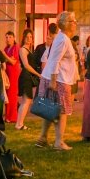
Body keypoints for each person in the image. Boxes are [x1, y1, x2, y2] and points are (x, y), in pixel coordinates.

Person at [36, 12, 79, 151]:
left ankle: (42, 138)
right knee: (61, 111)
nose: (75, 23)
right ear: (67, 23)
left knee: (49, 109)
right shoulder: (63, 39)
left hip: (53, 77)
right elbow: (55, 60)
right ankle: (59, 142)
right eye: (73, 21)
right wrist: (53, 82)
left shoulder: (61, 38)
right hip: (58, 79)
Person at [15, 28, 42, 130]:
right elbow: (26, 65)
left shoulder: (28, 49)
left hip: (27, 76)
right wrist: (38, 75)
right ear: (23, 38)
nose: (29, 39)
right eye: (27, 37)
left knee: (26, 101)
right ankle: (19, 124)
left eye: (30, 37)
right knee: (26, 100)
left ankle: (19, 123)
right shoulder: (23, 49)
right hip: (26, 76)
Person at [3, 31, 21, 124]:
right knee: (7, 94)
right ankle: (7, 116)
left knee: (12, 94)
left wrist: (4, 55)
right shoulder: (6, 48)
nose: (8, 39)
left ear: (14, 38)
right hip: (7, 73)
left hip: (13, 73)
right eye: (6, 37)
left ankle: (12, 117)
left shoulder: (16, 47)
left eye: (10, 37)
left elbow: (13, 62)